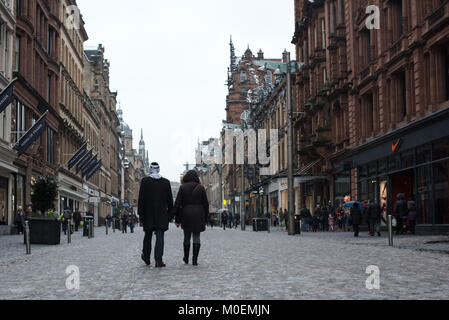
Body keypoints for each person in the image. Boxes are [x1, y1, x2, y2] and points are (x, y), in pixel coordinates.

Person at [138, 162, 174, 268]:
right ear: (159, 169)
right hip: (161, 214)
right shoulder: (166, 182)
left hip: (148, 214)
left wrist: (141, 214)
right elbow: (170, 201)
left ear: (150, 169)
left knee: (148, 235)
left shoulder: (145, 181)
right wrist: (169, 216)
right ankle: (158, 260)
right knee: (160, 237)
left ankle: (146, 256)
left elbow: (141, 199)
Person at [172, 170, 209, 266]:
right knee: (196, 236)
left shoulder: (182, 187)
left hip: (186, 214)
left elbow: (178, 204)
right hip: (199, 214)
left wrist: (176, 218)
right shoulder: (201, 188)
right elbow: (206, 204)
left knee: (187, 236)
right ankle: (195, 259)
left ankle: (186, 258)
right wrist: (206, 217)